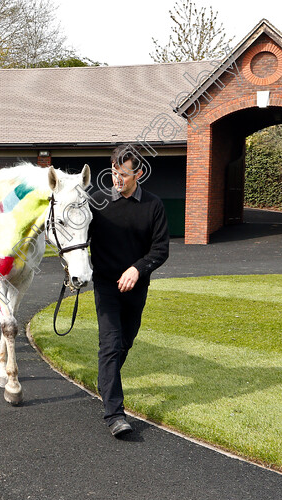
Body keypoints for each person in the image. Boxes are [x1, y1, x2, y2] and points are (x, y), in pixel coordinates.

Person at [89, 145, 170, 438]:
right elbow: (76, 235)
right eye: (113, 172)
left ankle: (105, 381)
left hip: (136, 288)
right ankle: (115, 415)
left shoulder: (154, 206)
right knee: (110, 345)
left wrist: (138, 269)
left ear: (138, 173)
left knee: (124, 344)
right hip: (106, 286)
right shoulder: (96, 202)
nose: (117, 179)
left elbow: (161, 249)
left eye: (123, 174)